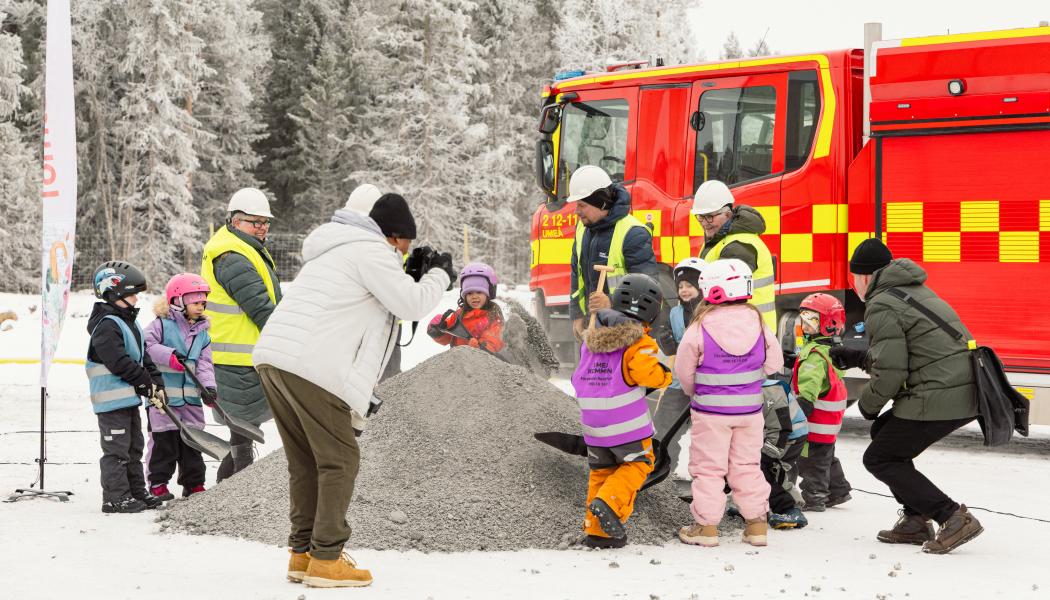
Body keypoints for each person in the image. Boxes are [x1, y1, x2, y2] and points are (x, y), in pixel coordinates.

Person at [252, 193, 455, 587]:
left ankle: (302, 553)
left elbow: (382, 300)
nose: (404, 252)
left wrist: (408, 273)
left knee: (306, 462)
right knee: (340, 460)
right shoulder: (371, 251)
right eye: (405, 244)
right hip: (312, 367)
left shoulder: (338, 249)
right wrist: (439, 274)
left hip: (276, 360)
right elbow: (411, 304)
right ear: (394, 236)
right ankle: (326, 559)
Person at [831, 238, 983, 555]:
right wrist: (858, 358)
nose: (855, 284)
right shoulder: (913, 291)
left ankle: (952, 517)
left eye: (854, 277)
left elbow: (892, 371)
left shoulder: (881, 304)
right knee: (884, 433)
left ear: (866, 276)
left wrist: (868, 406)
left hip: (941, 393)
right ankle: (915, 520)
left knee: (879, 458)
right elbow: (909, 354)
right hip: (960, 387)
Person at [675, 259, 784, 548]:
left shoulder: (701, 325)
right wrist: (749, 380)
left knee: (708, 468)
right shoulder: (757, 321)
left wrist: (695, 391)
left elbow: (684, 370)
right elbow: (774, 362)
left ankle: (706, 528)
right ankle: (757, 525)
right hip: (750, 412)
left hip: (710, 414)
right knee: (747, 465)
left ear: (711, 289)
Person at [572, 273, 672, 549]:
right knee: (639, 464)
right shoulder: (639, 341)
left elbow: (577, 378)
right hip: (626, 426)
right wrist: (664, 375)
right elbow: (645, 373)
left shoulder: (591, 340)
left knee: (601, 472)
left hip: (593, 426)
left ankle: (597, 533)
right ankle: (609, 502)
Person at [200, 187, 282, 481]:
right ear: (235, 221)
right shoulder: (232, 255)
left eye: (265, 222)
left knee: (243, 431)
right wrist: (286, 339)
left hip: (241, 354)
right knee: (243, 430)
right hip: (235, 357)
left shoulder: (242, 247)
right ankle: (233, 489)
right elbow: (260, 306)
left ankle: (233, 487)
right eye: (254, 222)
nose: (262, 227)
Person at [85, 261, 164, 513]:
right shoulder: (106, 326)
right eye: (132, 294)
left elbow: (143, 357)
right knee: (116, 451)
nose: (136, 299)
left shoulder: (129, 322)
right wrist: (144, 382)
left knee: (133, 448)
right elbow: (119, 362)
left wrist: (156, 382)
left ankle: (136, 492)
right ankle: (115, 498)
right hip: (111, 403)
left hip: (128, 400)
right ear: (114, 293)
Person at [143, 273, 215, 501]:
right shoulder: (161, 325)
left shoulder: (202, 333)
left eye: (203, 303)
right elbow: (146, 345)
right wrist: (169, 355)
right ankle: (158, 484)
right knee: (164, 443)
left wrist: (209, 388)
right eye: (195, 302)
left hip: (191, 399)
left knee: (193, 443)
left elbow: (204, 364)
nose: (200, 307)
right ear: (178, 301)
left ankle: (194, 483)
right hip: (163, 399)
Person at [567, 165, 657, 340]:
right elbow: (576, 275)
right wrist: (577, 314)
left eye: (582, 205)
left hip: (624, 332)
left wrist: (611, 302)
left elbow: (649, 291)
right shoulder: (582, 228)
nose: (576, 211)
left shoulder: (633, 234)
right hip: (593, 327)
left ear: (601, 202)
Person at [792, 293, 852, 512]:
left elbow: (810, 385)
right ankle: (838, 491)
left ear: (829, 324)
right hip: (829, 424)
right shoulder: (830, 350)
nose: (805, 325)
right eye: (803, 319)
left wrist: (798, 413)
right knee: (826, 457)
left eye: (812, 320)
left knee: (809, 461)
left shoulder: (815, 355)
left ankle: (815, 496)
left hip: (814, 423)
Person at [692, 180, 777, 331]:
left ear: (728, 214)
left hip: (747, 332)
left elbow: (720, 291)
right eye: (700, 217)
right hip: (739, 328)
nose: (704, 223)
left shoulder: (739, 245)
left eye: (709, 216)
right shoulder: (719, 240)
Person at [652, 257, 705, 491]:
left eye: (689, 285)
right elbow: (673, 347)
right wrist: (667, 342)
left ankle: (708, 481)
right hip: (679, 383)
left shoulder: (710, 312)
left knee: (707, 435)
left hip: (706, 385)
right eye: (680, 286)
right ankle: (660, 470)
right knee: (663, 427)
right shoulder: (674, 313)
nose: (684, 290)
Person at [761, 379, 809, 529]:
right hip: (773, 433)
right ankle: (757, 506)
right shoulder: (740, 387)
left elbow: (781, 429)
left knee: (768, 469)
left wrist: (768, 456)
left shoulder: (771, 391)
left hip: (790, 436)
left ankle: (790, 508)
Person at [427, 262, 504, 353]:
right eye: (469, 293)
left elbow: (494, 341)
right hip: (458, 359)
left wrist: (480, 347)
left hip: (482, 360)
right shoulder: (459, 315)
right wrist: (437, 331)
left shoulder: (493, 317)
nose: (474, 296)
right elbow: (447, 338)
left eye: (479, 292)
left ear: (489, 293)